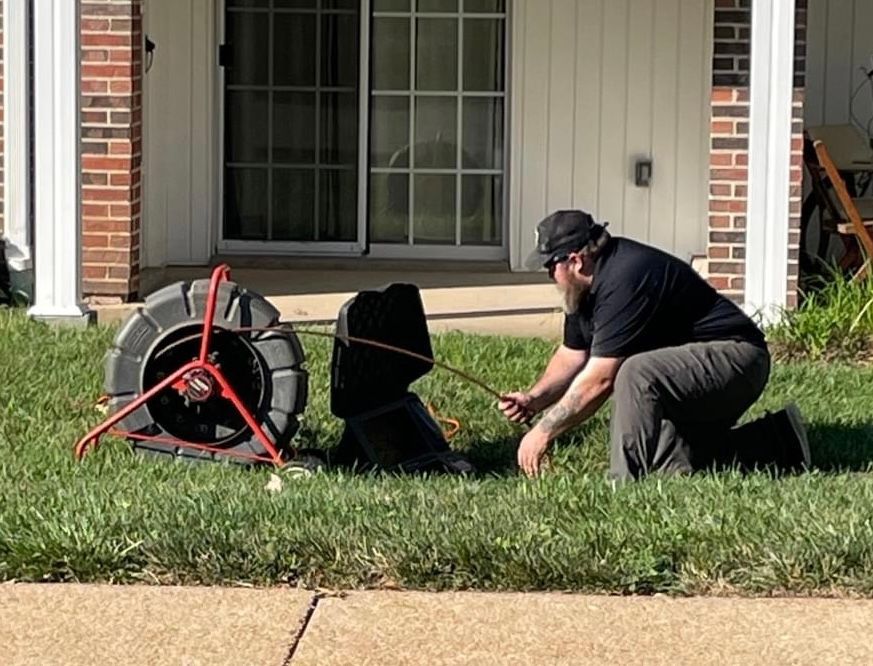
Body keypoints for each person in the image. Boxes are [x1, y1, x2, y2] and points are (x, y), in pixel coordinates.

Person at [499, 209, 810, 480]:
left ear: (576, 261)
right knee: (667, 462)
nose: (549, 275)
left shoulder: (626, 277)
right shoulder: (582, 290)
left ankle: (623, 486)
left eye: (550, 266)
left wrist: (543, 432)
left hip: (737, 358)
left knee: (635, 372)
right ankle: (779, 441)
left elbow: (600, 379)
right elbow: (573, 355)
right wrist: (534, 399)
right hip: (688, 377)